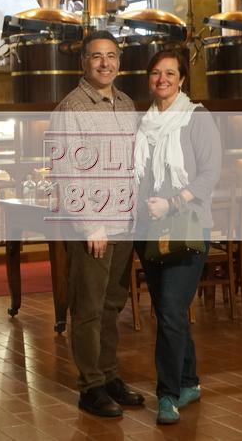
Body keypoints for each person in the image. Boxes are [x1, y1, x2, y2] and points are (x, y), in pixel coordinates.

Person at [50, 30, 144, 417]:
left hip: (126, 221)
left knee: (112, 306)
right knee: (88, 309)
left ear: (119, 62)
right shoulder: (71, 108)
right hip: (95, 227)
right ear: (83, 63)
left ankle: (109, 376)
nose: (105, 63)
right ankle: (90, 387)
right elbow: (67, 172)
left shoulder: (126, 103)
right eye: (96, 57)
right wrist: (90, 224)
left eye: (111, 56)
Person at [133, 50, 221, 425]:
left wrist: (172, 203)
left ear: (182, 79)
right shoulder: (144, 123)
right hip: (147, 228)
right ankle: (189, 381)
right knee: (169, 311)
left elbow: (210, 173)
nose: (162, 79)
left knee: (170, 308)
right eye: (156, 73)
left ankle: (167, 394)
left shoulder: (196, 117)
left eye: (170, 73)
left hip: (187, 225)